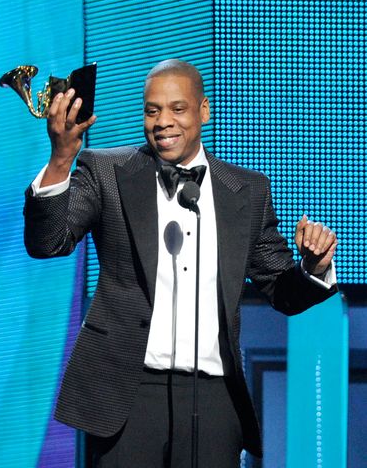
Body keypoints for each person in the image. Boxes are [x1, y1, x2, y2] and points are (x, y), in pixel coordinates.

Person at [24, 59, 338, 468]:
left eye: (177, 108)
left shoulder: (246, 190)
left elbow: (282, 290)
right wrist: (62, 159)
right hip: (127, 395)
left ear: (203, 111)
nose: (162, 122)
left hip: (214, 401)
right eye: (152, 110)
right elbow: (49, 243)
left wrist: (312, 268)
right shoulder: (107, 171)